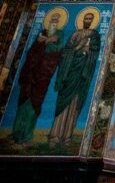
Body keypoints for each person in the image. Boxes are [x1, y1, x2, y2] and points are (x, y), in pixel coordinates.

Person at [11, 11, 66, 144]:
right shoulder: (42, 32)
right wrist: (40, 41)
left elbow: (58, 51)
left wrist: (50, 43)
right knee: (22, 105)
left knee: (34, 106)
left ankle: (27, 137)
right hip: (30, 75)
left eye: (57, 20)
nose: (54, 21)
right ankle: (16, 135)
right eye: (52, 19)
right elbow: (31, 52)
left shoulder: (60, 35)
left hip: (42, 76)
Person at [49, 10, 100, 145]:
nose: (87, 21)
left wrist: (87, 52)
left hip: (81, 74)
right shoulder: (75, 34)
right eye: (86, 19)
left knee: (74, 105)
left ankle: (67, 137)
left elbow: (94, 51)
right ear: (82, 20)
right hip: (69, 73)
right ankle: (54, 135)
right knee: (63, 103)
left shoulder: (94, 35)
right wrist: (77, 48)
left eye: (90, 19)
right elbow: (66, 51)